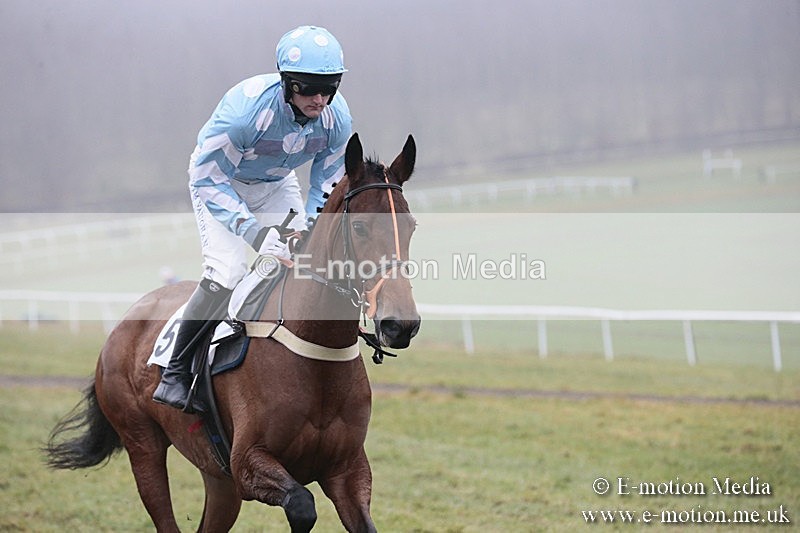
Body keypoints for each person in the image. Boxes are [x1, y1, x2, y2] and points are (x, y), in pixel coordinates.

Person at [153, 25, 352, 412]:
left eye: (329, 88)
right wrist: (254, 233)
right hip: (220, 182)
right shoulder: (244, 116)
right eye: (310, 88)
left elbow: (327, 181)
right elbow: (208, 180)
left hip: (276, 185)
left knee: (306, 261)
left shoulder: (336, 118)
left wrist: (309, 227)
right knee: (228, 271)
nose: (320, 99)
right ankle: (176, 372)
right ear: (288, 83)